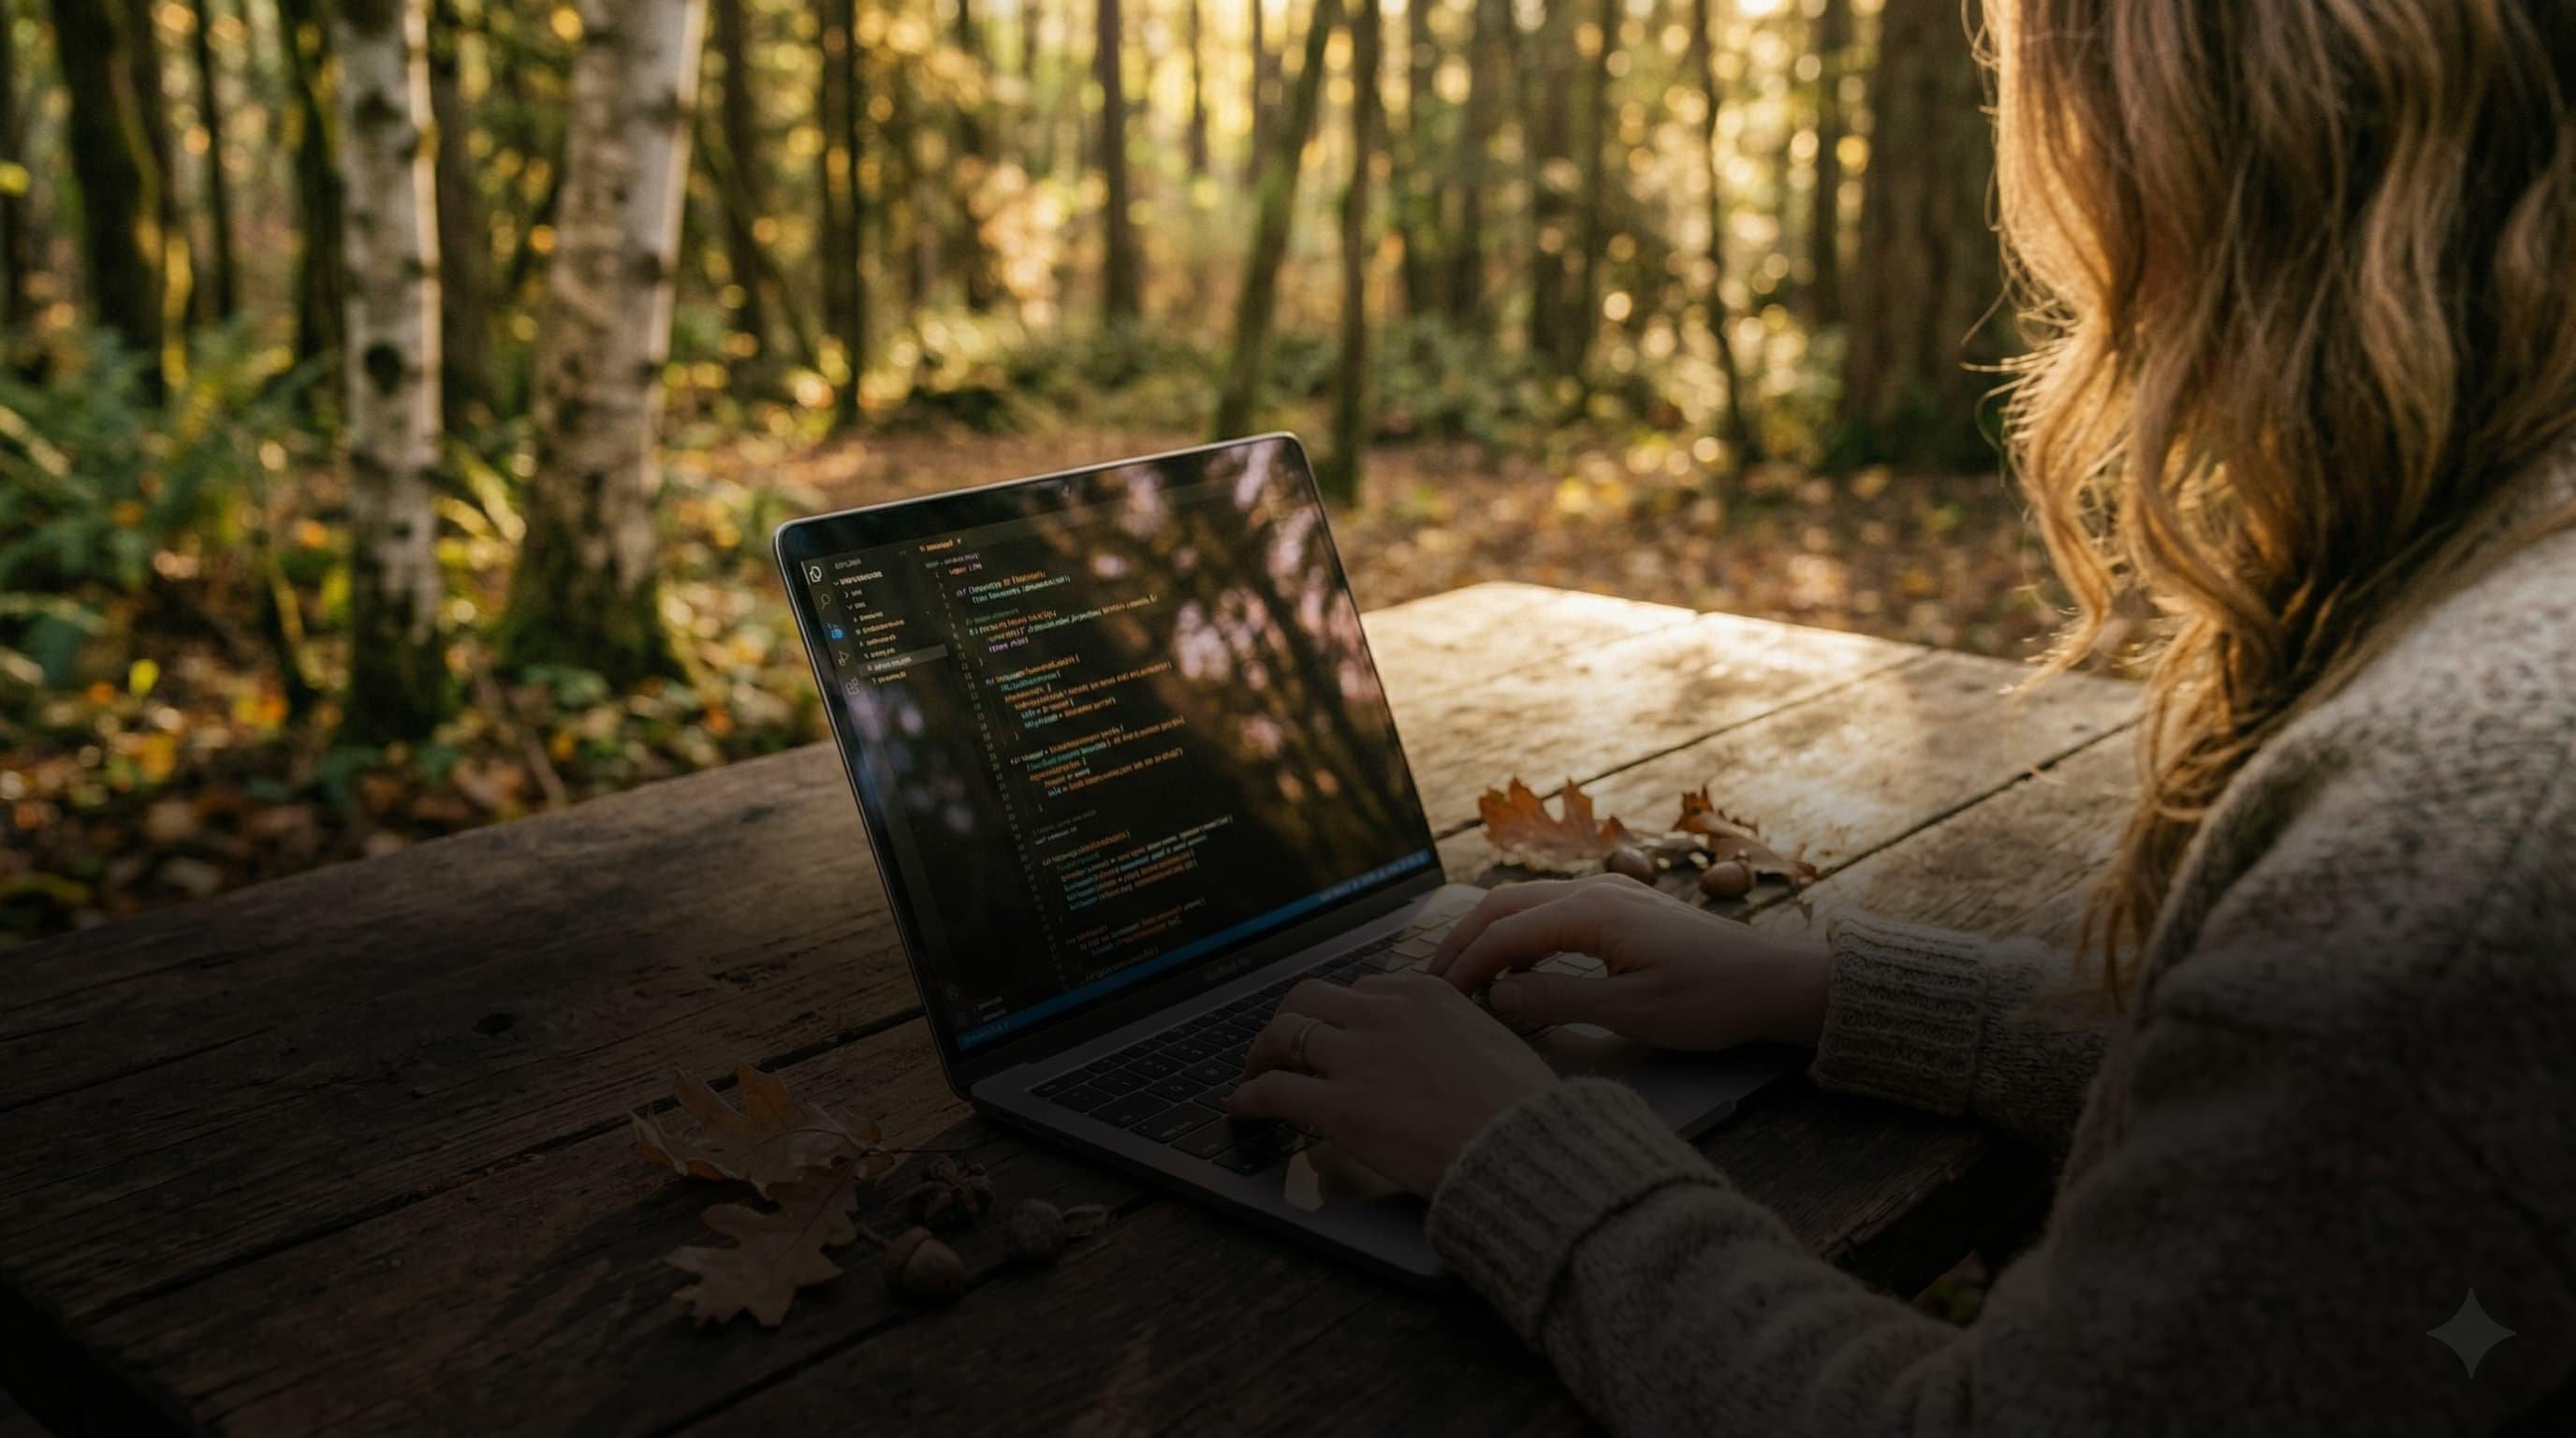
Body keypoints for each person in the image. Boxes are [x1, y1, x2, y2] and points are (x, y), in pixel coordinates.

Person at [1227, 0, 2576, 1431]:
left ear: (2170, 142)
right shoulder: (2507, 602)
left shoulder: (2465, 809)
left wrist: (1514, 1148)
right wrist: (1831, 995)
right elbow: (2327, 1140)